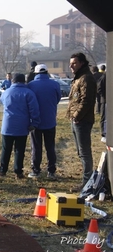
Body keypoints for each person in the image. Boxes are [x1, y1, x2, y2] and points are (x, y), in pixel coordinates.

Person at [0, 73, 40, 179]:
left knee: (6, 149)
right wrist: (34, 123)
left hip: (7, 125)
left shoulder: (6, 92)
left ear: (13, 81)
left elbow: (1, 102)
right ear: (24, 81)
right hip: (22, 125)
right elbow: (34, 110)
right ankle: (18, 172)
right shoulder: (28, 93)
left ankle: (2, 171)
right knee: (19, 150)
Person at [66, 52, 97, 192]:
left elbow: (86, 100)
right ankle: (86, 180)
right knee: (80, 152)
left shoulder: (86, 78)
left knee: (84, 152)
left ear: (82, 63)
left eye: (74, 63)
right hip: (76, 120)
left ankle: (87, 183)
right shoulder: (78, 78)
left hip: (82, 121)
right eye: (70, 63)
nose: (71, 66)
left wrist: (77, 116)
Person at [27, 64, 61, 180]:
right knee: (50, 147)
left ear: (36, 74)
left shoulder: (30, 85)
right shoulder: (55, 84)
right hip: (50, 120)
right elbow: (57, 99)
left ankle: (36, 170)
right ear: (47, 72)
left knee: (36, 147)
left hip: (35, 121)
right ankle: (51, 171)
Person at [98, 69, 107, 142]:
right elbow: (99, 87)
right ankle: (103, 134)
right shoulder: (105, 76)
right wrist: (104, 96)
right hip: (105, 101)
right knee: (104, 117)